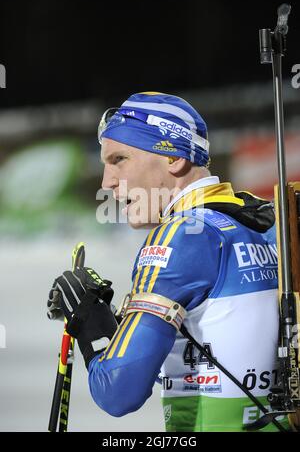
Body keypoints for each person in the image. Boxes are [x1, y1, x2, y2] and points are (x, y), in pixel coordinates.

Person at [47, 92, 288, 432]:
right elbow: (212, 369)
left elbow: (117, 392)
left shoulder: (181, 234)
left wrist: (90, 325)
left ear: (174, 157)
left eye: (119, 159)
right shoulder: (265, 221)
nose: (107, 182)